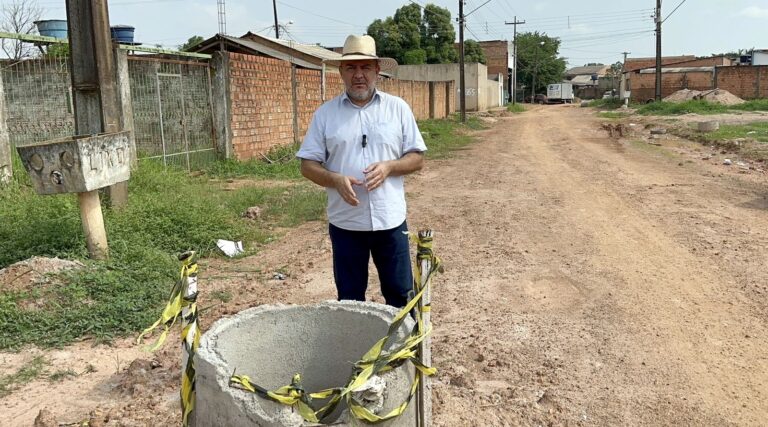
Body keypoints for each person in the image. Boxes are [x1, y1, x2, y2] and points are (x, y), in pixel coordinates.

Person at [296, 35, 427, 307]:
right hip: (346, 224)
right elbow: (307, 165)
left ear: (377, 70)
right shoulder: (326, 114)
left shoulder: (397, 109)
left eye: (365, 67)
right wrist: (334, 179)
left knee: (400, 294)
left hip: (390, 221)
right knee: (350, 298)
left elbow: (416, 158)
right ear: (341, 71)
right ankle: (356, 350)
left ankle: (401, 350)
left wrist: (390, 166)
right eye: (351, 68)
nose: (359, 75)